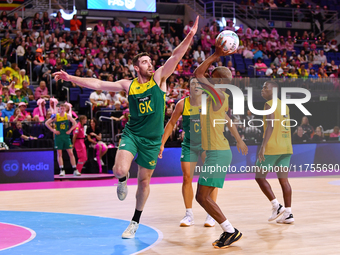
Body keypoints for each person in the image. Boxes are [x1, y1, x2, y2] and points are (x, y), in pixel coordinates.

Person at [53, 16, 199, 239]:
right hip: (133, 133)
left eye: (151, 61)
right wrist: (70, 77)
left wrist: (189, 36)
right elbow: (98, 84)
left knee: (143, 181)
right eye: (145, 62)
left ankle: (135, 221)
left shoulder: (160, 78)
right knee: (120, 170)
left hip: (152, 139)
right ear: (135, 67)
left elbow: (176, 55)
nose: (150, 64)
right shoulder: (127, 85)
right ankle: (122, 182)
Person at [193, 37, 248, 249]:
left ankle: (230, 231)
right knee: (203, 196)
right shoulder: (220, 97)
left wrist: (216, 54)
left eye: (212, 76)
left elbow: (198, 74)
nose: (207, 77)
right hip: (218, 150)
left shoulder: (216, 92)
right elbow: (228, 121)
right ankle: (229, 230)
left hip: (218, 151)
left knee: (203, 196)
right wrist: (239, 140)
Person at [159, 78, 217, 227]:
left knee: (211, 177)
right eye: (192, 85)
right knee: (187, 178)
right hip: (189, 145)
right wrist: (162, 143)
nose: (195, 87)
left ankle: (211, 214)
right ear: (188, 88)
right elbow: (171, 123)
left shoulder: (209, 102)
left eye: (198, 84)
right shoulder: (182, 104)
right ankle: (188, 214)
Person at [255, 80, 295, 225]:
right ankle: (289, 214)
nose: (262, 89)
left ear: (274, 91)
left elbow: (271, 125)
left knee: (259, 176)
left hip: (273, 146)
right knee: (284, 181)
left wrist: (263, 146)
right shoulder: (284, 105)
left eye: (265, 87)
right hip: (286, 147)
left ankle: (276, 206)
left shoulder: (269, 104)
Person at [45, 102, 79, 176]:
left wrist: (70, 130)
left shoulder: (68, 116)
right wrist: (53, 130)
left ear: (65, 109)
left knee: (71, 153)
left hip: (66, 136)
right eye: (61, 108)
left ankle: (75, 169)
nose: (62, 109)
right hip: (59, 136)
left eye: (63, 108)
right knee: (59, 154)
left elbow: (75, 123)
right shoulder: (56, 116)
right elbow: (46, 123)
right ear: (59, 109)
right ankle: (62, 170)